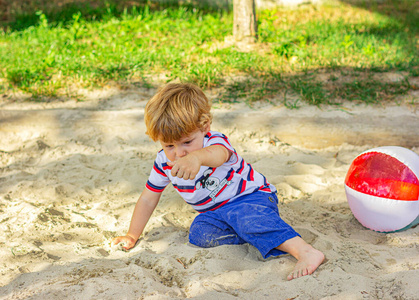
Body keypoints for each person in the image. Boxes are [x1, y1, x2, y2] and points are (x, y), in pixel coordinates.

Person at [111, 83, 324, 280]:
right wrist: (132, 235)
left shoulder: (214, 142)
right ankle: (255, 233)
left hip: (252, 198)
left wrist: (197, 157)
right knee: (199, 235)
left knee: (247, 218)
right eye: (169, 146)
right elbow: (149, 198)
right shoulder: (163, 162)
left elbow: (218, 155)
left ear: (205, 127)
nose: (179, 153)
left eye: (187, 142)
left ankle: (305, 251)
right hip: (214, 213)